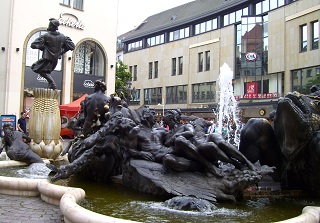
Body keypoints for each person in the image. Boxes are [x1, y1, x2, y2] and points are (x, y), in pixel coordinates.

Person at [31, 18, 75, 90]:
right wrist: (61, 52)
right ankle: (51, 84)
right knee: (43, 71)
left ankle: (52, 82)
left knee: (36, 68)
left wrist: (43, 47)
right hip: (55, 59)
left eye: (50, 24)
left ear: (52, 26)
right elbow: (72, 46)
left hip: (47, 58)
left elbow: (33, 45)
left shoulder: (46, 36)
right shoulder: (63, 37)